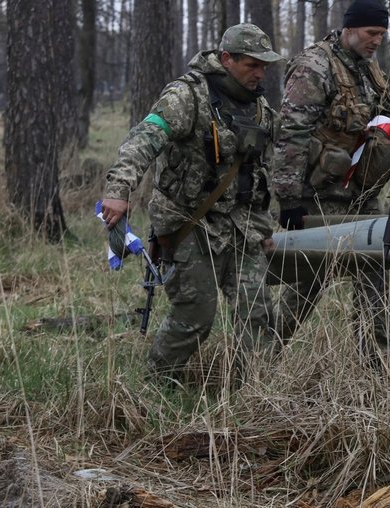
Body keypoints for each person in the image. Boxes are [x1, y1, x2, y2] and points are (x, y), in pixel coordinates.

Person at [100, 23, 282, 385]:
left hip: (242, 227)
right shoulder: (187, 96)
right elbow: (143, 139)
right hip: (189, 223)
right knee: (196, 315)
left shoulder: (259, 106)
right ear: (227, 59)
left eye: (265, 66)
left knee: (258, 311)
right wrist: (118, 189)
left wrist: (265, 224)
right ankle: (155, 385)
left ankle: (262, 395)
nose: (260, 74)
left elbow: (263, 169)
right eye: (252, 65)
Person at [271, 0, 390, 365]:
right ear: (351, 27)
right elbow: (291, 133)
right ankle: (262, 355)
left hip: (361, 193)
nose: (377, 41)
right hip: (321, 196)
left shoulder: (369, 69)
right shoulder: (314, 67)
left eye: (382, 35)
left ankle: (376, 363)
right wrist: (290, 198)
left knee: (374, 273)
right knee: (307, 285)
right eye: (372, 32)